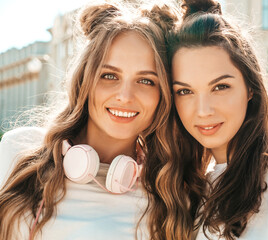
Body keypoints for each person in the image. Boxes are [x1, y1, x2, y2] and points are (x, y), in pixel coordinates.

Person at [0, 1, 192, 239]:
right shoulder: (17, 149)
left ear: (162, 95)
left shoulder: (170, 197)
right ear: (85, 82)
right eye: (109, 75)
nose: (125, 96)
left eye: (146, 80)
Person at [167, 0, 268, 239]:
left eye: (220, 86)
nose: (203, 110)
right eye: (185, 91)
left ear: (250, 88)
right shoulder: (191, 193)